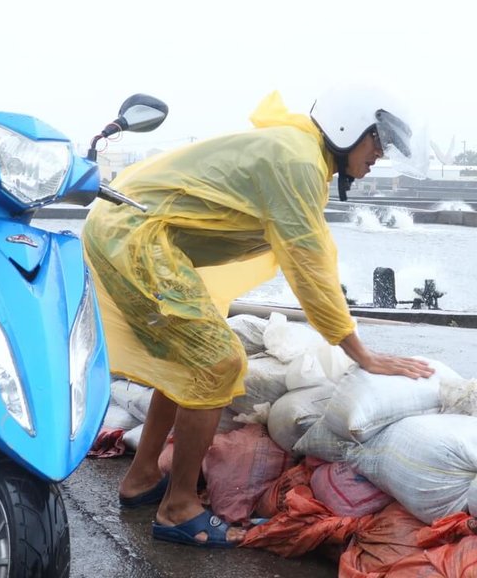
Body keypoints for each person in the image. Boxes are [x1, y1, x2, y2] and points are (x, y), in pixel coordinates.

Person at [81, 83, 435, 548]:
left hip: (135, 233)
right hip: (135, 235)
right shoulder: (298, 160)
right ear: (350, 128)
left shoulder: (299, 151)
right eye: (377, 143)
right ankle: (178, 508)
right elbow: (307, 264)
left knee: (189, 364)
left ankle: (144, 478)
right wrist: (361, 354)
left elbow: (307, 254)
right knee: (219, 363)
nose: (379, 156)